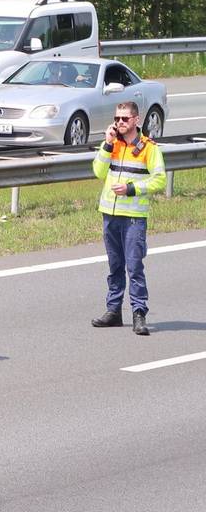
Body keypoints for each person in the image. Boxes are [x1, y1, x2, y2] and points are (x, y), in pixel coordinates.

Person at [90, 101, 165, 336]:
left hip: (133, 216)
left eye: (124, 119)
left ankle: (139, 313)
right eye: (117, 118)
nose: (120, 122)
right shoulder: (110, 145)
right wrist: (106, 144)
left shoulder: (149, 148)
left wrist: (132, 189)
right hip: (110, 214)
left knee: (134, 267)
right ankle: (113, 310)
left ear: (136, 120)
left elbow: (159, 179)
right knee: (115, 267)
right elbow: (98, 172)